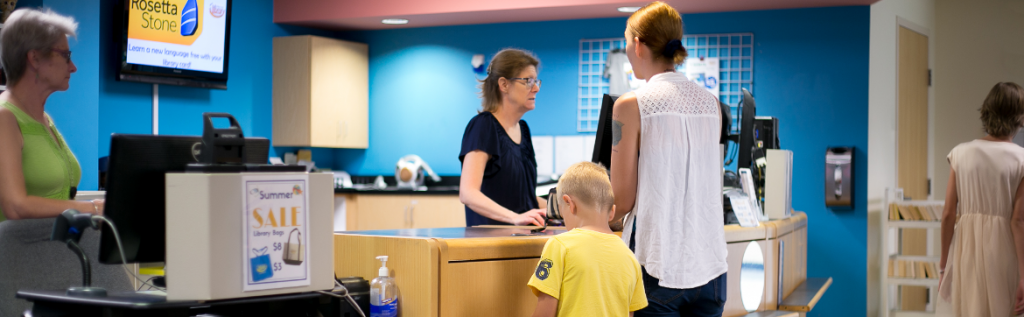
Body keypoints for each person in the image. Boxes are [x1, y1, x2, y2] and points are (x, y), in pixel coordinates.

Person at [609, 2, 727, 316]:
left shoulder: (630, 104)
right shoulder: (712, 103)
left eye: (625, 40)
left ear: (637, 44)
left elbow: (620, 200)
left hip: (658, 266)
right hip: (711, 269)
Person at [0, 8, 102, 221]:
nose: (73, 67)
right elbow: (16, 206)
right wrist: (92, 207)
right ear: (35, 58)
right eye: (65, 56)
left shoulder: (45, 120)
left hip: (52, 248)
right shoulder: (4, 118)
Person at [938, 82, 1024, 316]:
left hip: (967, 251)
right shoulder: (1021, 160)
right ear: (1019, 117)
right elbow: (1018, 221)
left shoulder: (960, 153)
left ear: (986, 112)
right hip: (1005, 253)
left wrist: (943, 268)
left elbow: (947, 215)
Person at [528, 161, 647, 317]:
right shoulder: (630, 257)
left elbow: (544, 314)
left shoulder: (560, 246)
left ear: (569, 204)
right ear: (612, 212)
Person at [459, 48, 547, 227]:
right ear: (504, 84)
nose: (536, 88)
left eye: (536, 81)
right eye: (528, 81)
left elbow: (524, 198)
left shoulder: (523, 129)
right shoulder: (483, 126)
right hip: (491, 246)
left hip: (521, 241)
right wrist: (514, 217)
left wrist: (564, 209)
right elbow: (468, 193)